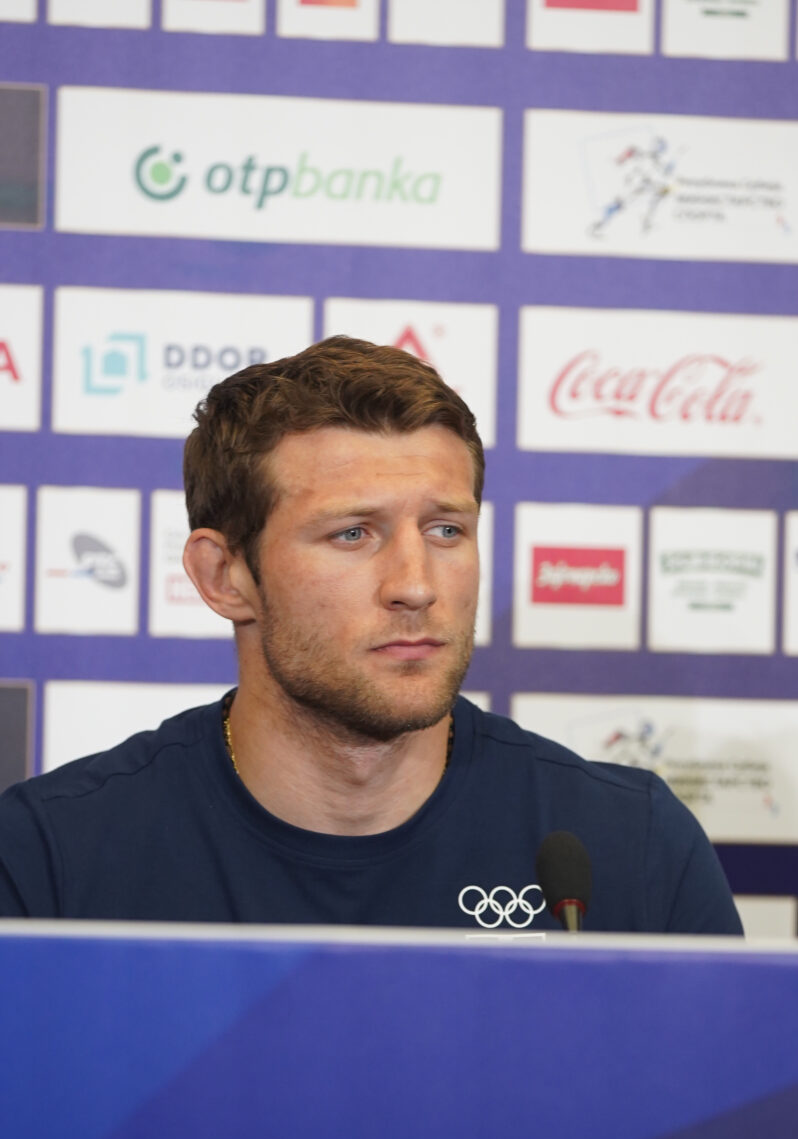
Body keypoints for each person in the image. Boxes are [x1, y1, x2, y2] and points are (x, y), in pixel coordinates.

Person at [0, 337, 741, 934]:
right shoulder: (48, 859)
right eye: (353, 534)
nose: (416, 585)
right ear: (225, 575)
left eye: (445, 530)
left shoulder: (633, 847)